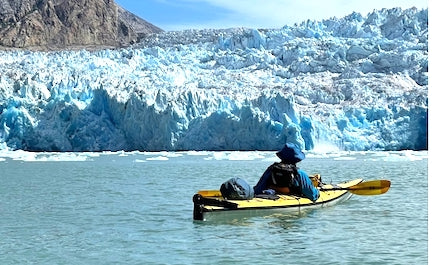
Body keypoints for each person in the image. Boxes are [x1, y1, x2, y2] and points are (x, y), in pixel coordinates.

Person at [253, 143, 320, 202]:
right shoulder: (299, 173)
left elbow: (258, 188)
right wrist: (318, 192)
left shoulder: (271, 169)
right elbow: (312, 195)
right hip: (291, 199)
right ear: (297, 160)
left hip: (271, 197)